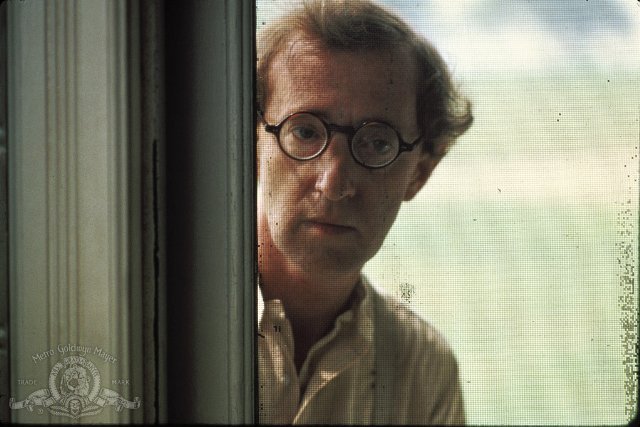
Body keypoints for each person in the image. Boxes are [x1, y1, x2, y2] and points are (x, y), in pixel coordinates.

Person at [256, 0, 473, 424]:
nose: (334, 184)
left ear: (420, 173)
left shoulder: (424, 371)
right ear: (251, 146)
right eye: (305, 131)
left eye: (376, 142)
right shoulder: (161, 316)